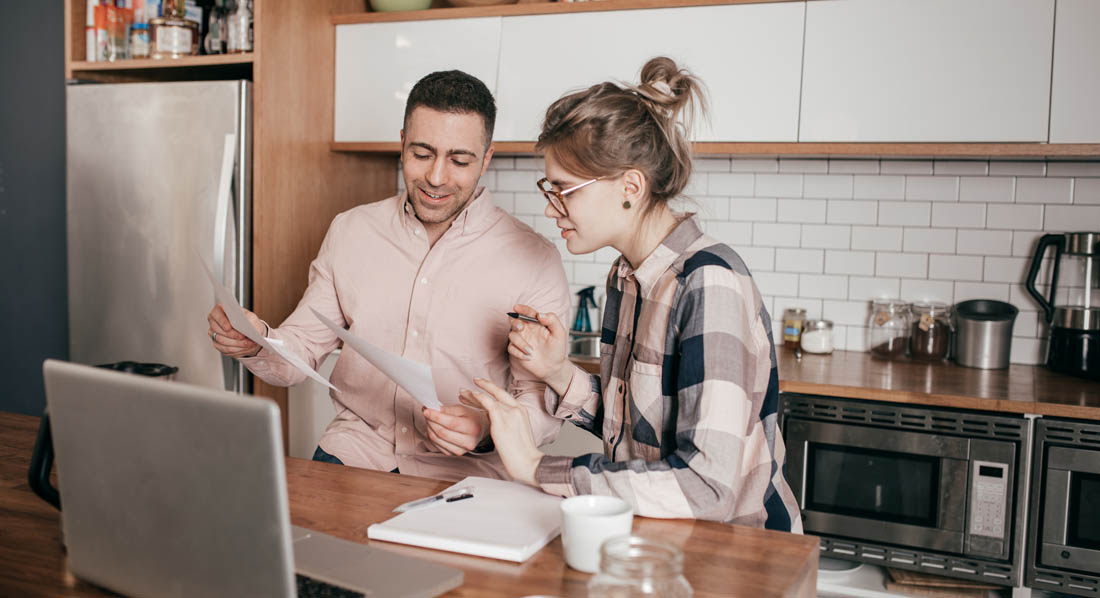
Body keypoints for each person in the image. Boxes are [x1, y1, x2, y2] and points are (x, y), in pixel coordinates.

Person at [462, 57, 803, 531]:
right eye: (549, 188)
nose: (551, 207)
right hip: (657, 539)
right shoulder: (626, 278)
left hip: (736, 555)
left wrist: (536, 467)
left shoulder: (710, 282)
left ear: (631, 186)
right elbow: (641, 429)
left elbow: (708, 486)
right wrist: (557, 372)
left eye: (565, 189)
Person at [206, 70, 571, 482]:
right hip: (354, 454)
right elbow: (299, 353)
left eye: (459, 160)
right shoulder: (351, 230)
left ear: (485, 160)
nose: (436, 177)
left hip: (466, 478)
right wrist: (255, 340)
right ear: (401, 144)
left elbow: (541, 404)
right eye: (422, 153)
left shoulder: (534, 259)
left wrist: (487, 430)